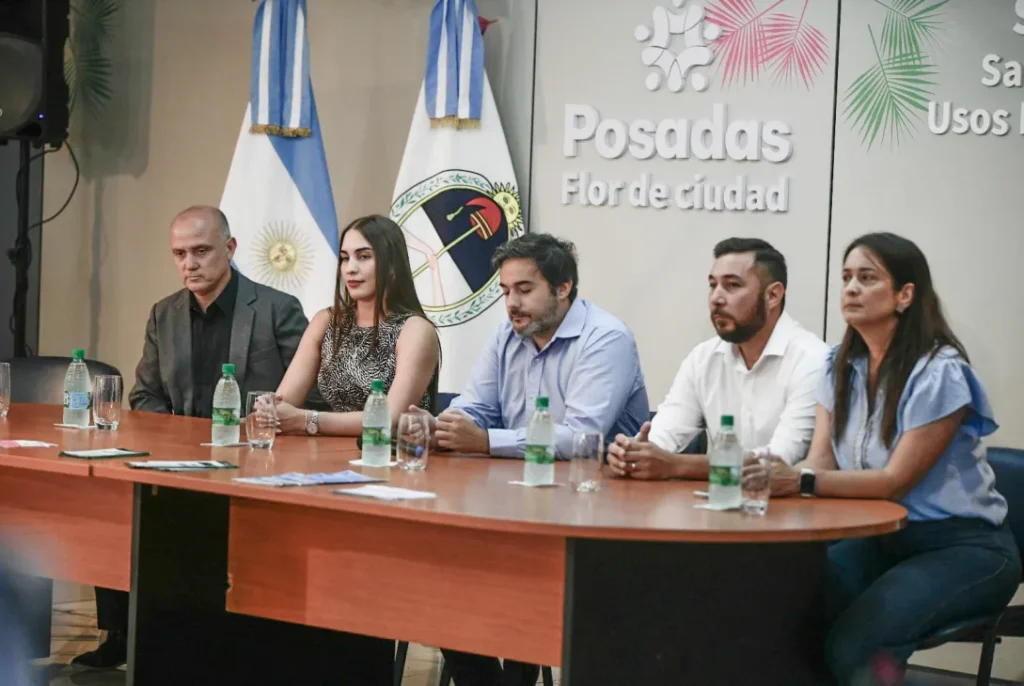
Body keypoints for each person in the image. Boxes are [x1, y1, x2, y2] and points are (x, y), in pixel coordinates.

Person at [748, 233, 1021, 685]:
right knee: (786, 616)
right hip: (880, 539)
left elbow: (895, 481)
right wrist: (769, 479)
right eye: (846, 278)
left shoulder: (939, 372)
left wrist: (798, 482)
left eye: (867, 278)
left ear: (904, 295)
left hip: (964, 549)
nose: (851, 288)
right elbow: (821, 461)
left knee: (858, 645)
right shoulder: (838, 365)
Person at [74, 205, 308, 670]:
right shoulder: (163, 314)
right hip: (179, 464)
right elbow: (145, 394)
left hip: (253, 464)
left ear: (230, 248)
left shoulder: (277, 309)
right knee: (116, 505)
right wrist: (181, 444)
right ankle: (124, 634)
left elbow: (306, 397)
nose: (189, 264)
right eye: (179, 254)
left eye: (201, 251)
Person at [410, 232, 648, 686]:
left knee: (517, 597)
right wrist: (442, 426)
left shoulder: (606, 338)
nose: (512, 304)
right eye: (505, 291)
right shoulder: (508, 334)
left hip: (593, 518)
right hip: (514, 503)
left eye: (524, 289)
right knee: (440, 579)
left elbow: (581, 437)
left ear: (564, 287)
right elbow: (476, 407)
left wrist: (485, 441)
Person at [608, 238, 828, 480]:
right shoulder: (703, 358)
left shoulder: (812, 360)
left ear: (773, 295)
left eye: (732, 285)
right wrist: (633, 453)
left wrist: (676, 465)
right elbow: (663, 435)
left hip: (784, 501)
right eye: (713, 285)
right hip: (717, 498)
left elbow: (777, 461)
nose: (716, 298)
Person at [273, 214, 440, 434]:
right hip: (329, 449)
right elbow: (284, 402)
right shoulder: (326, 321)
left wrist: (307, 420)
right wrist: (270, 409)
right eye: (345, 258)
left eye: (363, 257)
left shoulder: (415, 329)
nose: (350, 268)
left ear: (392, 265)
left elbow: (388, 418)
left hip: (390, 450)